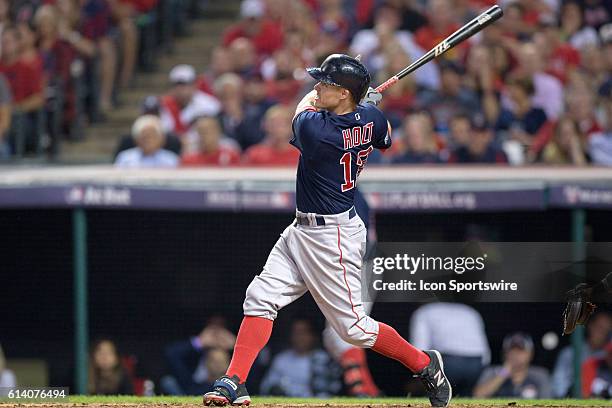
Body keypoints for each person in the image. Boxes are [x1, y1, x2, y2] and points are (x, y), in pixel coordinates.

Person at [203, 54, 452, 408]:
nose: (317, 88)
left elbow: (302, 109)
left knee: (353, 329)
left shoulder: (317, 132)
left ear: (345, 94)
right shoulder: (373, 118)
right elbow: (385, 136)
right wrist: (362, 108)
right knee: (260, 297)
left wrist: (357, 104)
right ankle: (235, 380)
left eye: (327, 84)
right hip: (302, 229)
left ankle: (426, 364)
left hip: (331, 238)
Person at [410, 303, 490, 397]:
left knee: (435, 396)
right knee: (465, 397)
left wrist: (422, 375)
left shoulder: (423, 311)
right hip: (476, 361)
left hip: (449, 360)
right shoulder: (469, 310)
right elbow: (484, 348)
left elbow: (420, 347)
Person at [259, 319, 341, 397]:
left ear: (312, 336)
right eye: (296, 333)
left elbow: (332, 390)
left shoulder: (322, 359)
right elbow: (266, 387)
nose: (300, 337)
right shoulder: (281, 359)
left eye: (303, 332)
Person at [162, 317, 235, 395]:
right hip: (192, 391)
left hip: (226, 389)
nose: (216, 335)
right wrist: (198, 342)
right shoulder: (195, 356)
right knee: (168, 381)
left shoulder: (234, 361)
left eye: (221, 329)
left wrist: (237, 346)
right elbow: (171, 353)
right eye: (212, 329)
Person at [473, 332, 552, 399]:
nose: (515, 355)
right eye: (512, 351)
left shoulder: (540, 375)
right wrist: (504, 372)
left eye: (520, 351)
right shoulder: (492, 372)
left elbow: (549, 402)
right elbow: (477, 396)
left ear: (530, 354)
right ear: (504, 354)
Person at [552, 312, 612, 397]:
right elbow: (558, 388)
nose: (601, 333)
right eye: (599, 327)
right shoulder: (570, 353)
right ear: (591, 326)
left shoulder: (608, 357)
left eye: (606, 330)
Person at [114, 114, 179, 168]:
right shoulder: (125, 158)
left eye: (152, 136)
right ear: (136, 139)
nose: (148, 140)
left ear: (161, 139)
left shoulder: (171, 159)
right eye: (144, 137)